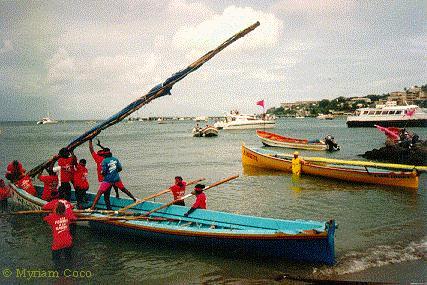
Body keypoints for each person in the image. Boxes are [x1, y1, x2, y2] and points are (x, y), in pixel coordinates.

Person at [43, 201, 76, 269]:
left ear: (55, 210)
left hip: (58, 243)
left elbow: (44, 219)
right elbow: (73, 219)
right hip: (68, 242)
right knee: (68, 259)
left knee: (56, 261)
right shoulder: (67, 216)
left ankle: (58, 273)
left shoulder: (51, 217)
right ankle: (69, 271)